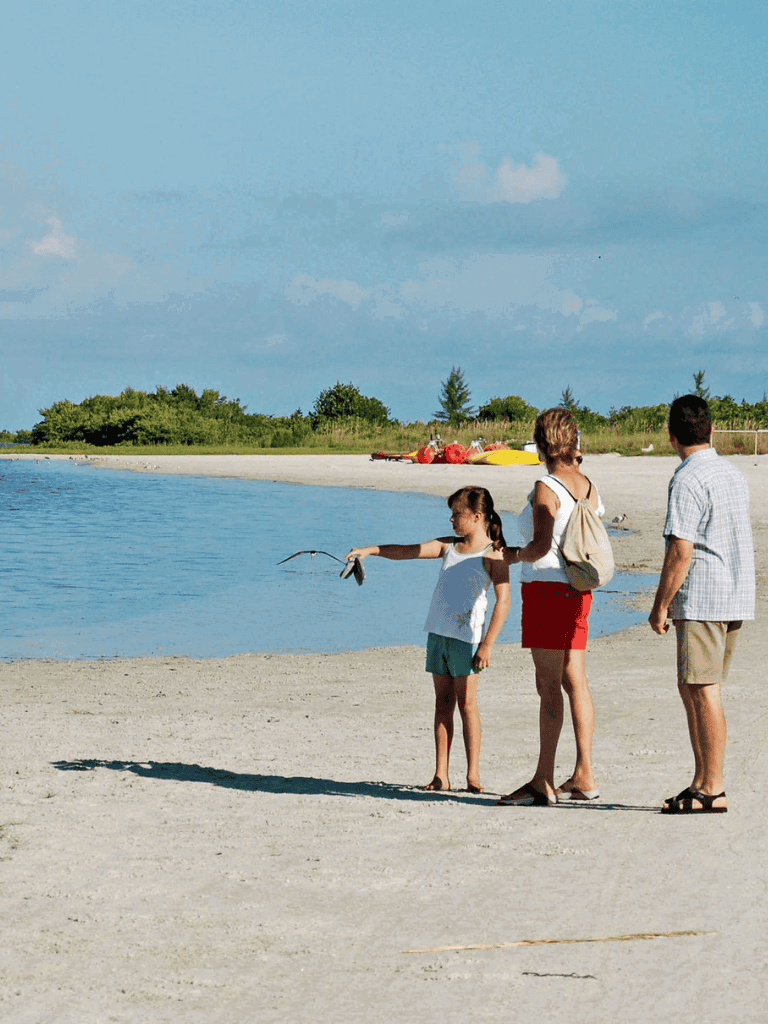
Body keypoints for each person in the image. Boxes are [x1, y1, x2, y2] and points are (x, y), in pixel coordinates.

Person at [346, 486, 510, 793]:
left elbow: (504, 601)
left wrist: (487, 645)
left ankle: (473, 776)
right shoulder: (449, 546)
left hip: (467, 640)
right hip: (438, 635)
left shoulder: (493, 554)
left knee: (467, 706)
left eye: (457, 514)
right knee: (442, 704)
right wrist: (371, 550)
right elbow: (409, 550)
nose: (451, 519)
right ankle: (440, 775)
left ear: (477, 517)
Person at [649, 395, 755, 814]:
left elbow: (681, 550)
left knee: (703, 690)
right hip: (734, 594)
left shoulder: (687, 478)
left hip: (705, 598)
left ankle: (713, 786)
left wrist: (661, 604)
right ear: (711, 430)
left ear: (672, 436)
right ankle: (702, 781)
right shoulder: (732, 473)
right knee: (695, 687)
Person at [498, 407, 604, 806]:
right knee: (575, 680)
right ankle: (584, 773)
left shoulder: (546, 486)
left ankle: (543, 779)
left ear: (541, 444)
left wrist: (513, 555)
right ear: (574, 441)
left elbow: (541, 546)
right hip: (578, 590)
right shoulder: (588, 486)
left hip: (546, 590)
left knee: (548, 686)